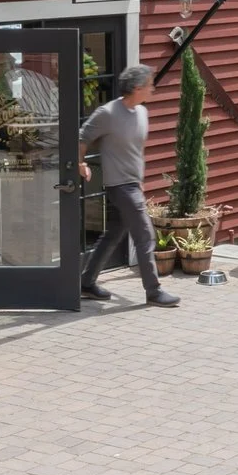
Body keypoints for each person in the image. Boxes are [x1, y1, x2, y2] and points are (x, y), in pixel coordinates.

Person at [77, 63, 178, 307]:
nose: (152, 89)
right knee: (145, 235)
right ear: (136, 87)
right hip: (119, 186)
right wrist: (80, 163)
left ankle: (86, 283)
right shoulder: (108, 113)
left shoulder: (142, 113)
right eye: (149, 85)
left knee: (113, 234)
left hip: (132, 184)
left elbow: (136, 152)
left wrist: (140, 181)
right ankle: (153, 291)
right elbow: (82, 137)